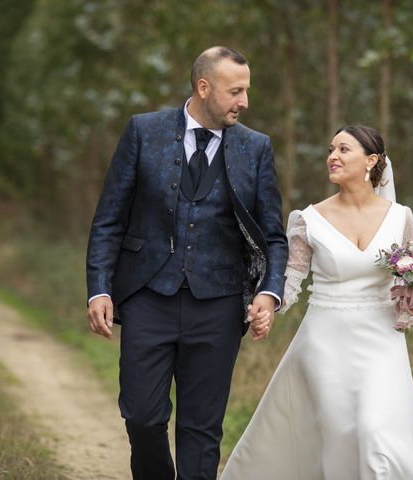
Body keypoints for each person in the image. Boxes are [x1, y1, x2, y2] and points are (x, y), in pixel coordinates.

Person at [86, 46, 288, 480]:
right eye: (235, 91)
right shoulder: (144, 131)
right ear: (203, 87)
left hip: (217, 305)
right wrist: (99, 287)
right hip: (147, 297)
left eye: (246, 91)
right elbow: (109, 219)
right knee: (142, 416)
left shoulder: (256, 149)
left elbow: (273, 235)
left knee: (201, 428)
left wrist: (269, 293)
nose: (244, 102)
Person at [221, 125, 413, 479]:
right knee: (339, 436)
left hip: (382, 341)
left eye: (344, 150)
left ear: (371, 160)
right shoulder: (309, 220)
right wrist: (266, 305)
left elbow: (411, 282)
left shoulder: (400, 216)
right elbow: (289, 280)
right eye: (330, 150)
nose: (332, 157)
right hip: (325, 341)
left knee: (376, 432)